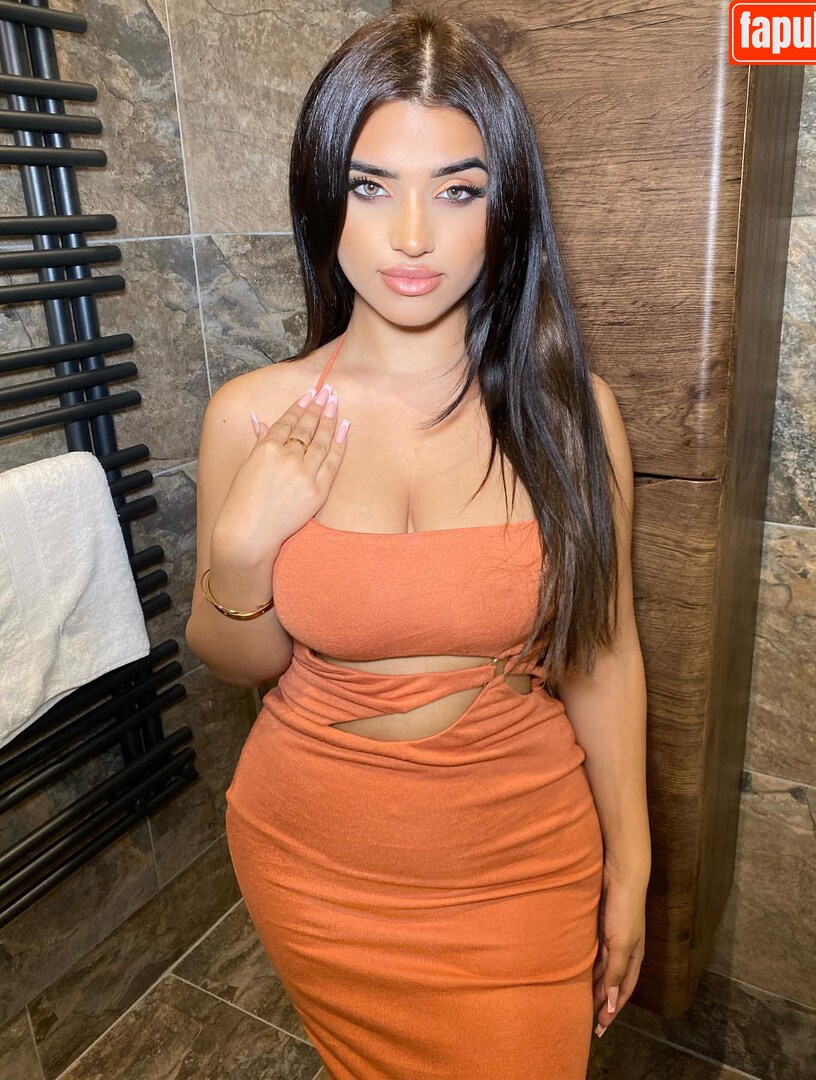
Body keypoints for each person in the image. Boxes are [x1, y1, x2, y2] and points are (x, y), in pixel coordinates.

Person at [186, 8, 650, 1078]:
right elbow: (236, 659)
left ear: (505, 206)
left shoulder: (573, 416)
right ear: (323, 195)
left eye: (456, 191)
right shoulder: (250, 414)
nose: (409, 236)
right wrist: (243, 551)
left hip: (519, 871)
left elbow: (606, 653)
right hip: (309, 865)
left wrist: (630, 862)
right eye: (370, 186)